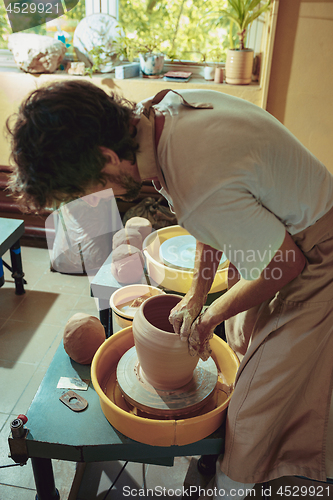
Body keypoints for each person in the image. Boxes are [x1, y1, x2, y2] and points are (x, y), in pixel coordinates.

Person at [6, 80, 333, 498]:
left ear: (106, 157)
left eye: (86, 188)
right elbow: (209, 218)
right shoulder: (160, 112)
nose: (93, 197)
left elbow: (286, 264)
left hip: (318, 252)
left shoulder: (197, 175)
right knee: (240, 342)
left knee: (252, 411)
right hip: (284, 228)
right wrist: (197, 296)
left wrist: (213, 313)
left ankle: (235, 486)